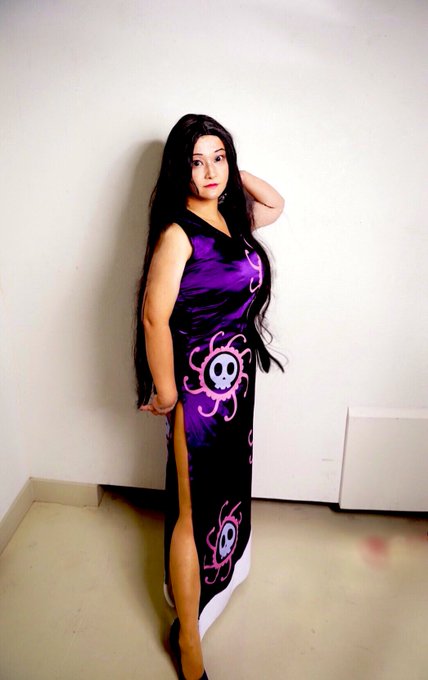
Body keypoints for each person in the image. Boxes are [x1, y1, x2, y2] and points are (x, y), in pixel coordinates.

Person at [134, 114, 284, 680]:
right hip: (198, 393)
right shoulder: (178, 234)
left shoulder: (230, 217)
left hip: (237, 384)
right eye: (195, 161)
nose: (209, 171)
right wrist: (167, 392)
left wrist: (231, 172)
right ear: (179, 168)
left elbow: (276, 204)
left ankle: (220, 579)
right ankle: (188, 636)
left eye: (218, 157)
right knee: (190, 510)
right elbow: (154, 317)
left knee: (226, 486)